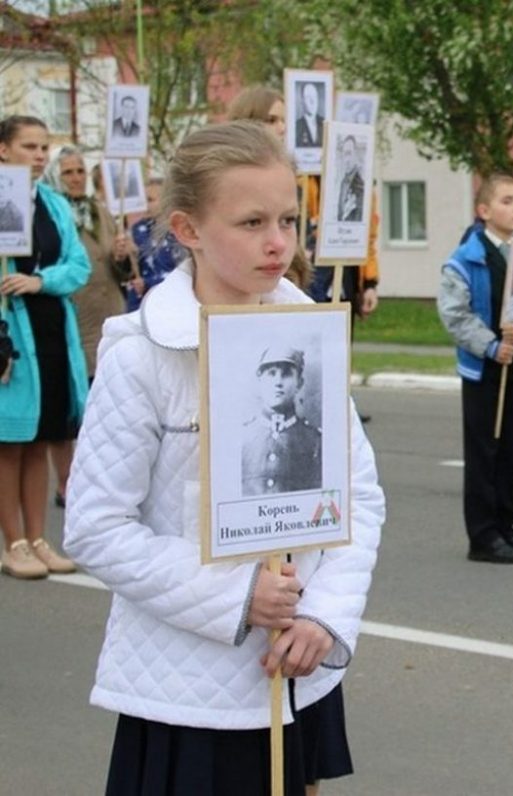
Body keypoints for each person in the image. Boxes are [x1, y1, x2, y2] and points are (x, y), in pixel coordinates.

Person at [64, 120, 385, 794]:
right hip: (189, 692)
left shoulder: (309, 334)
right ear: (187, 229)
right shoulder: (141, 356)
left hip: (295, 673)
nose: (278, 242)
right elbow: (97, 528)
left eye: (288, 219)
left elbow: (356, 494)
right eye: (250, 222)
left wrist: (326, 614)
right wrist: (237, 594)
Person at [437, 173, 513, 564]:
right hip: (484, 371)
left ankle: (507, 523)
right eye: (507, 201)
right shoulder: (464, 260)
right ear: (484, 211)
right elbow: (455, 315)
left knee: (511, 450)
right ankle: (483, 534)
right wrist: (489, 345)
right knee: (485, 451)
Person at [0, 115, 88, 579]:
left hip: (51, 326)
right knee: (9, 442)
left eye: (43, 147)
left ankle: (37, 538)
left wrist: (41, 280)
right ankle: (12, 542)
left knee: (39, 440)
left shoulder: (53, 203)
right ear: (4, 151)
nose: (39, 155)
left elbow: (79, 266)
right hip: (10, 336)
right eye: (29, 146)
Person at [43, 145, 136, 508]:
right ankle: (66, 482)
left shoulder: (102, 212)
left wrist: (122, 257)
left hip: (108, 315)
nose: (76, 177)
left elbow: (123, 272)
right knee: (69, 409)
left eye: (80, 170)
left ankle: (102, 480)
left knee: (109, 405)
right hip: (73, 317)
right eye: (68, 172)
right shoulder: (53, 214)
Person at [226, 85, 314, 292]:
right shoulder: (226, 177)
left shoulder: (289, 175)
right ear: (248, 121)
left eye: (284, 120)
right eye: (272, 120)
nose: (282, 128)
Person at [241, 345, 323, 496]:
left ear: (299, 383)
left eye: (286, 374)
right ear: (259, 381)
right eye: (271, 374)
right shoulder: (241, 437)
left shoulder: (316, 441)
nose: (278, 382)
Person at [127, 176, 185, 311]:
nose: (145, 205)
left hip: (170, 302)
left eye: (150, 200)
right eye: (142, 200)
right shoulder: (137, 229)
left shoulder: (178, 232)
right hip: (142, 304)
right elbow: (130, 271)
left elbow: (180, 270)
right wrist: (125, 255)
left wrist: (148, 283)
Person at [337, 136, 364, 222]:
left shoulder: (361, 183)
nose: (347, 160)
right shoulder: (343, 182)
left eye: (349, 153)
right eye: (345, 154)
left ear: (355, 154)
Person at [295, 82, 325, 148]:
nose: (313, 101)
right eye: (308, 97)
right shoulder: (296, 126)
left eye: (315, 96)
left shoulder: (325, 123)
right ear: (302, 101)